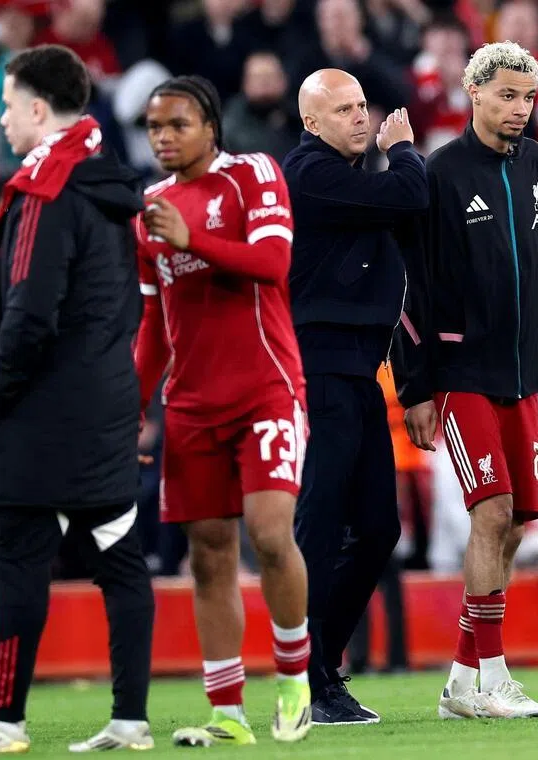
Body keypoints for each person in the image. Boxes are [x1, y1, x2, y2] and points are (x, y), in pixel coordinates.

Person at [0, 44, 155, 754]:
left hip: (45, 411)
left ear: (38, 110)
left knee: (17, 553)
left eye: (7, 103)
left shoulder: (44, 188)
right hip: (107, 403)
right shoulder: (111, 183)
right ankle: (129, 720)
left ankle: (4, 720)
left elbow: (28, 310)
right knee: (119, 555)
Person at [393, 41, 538, 719]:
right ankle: (493, 678)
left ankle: (461, 681)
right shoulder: (439, 175)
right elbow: (413, 291)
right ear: (474, 93)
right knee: (489, 513)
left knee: (515, 523)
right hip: (461, 374)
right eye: (508, 96)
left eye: (529, 97)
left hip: (527, 375)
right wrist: (416, 388)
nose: (520, 109)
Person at [134, 74, 313, 745]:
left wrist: (191, 239)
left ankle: (294, 676)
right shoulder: (149, 207)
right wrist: (133, 407)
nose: (164, 137)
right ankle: (227, 713)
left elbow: (272, 262)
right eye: (154, 127)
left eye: (177, 124)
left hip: (265, 387)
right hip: (190, 404)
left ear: (211, 126)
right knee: (207, 556)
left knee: (269, 534)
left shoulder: (254, 175)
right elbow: (154, 325)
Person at [281, 68, 428, 725]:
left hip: (360, 371)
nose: (360, 117)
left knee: (377, 529)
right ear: (312, 123)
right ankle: (305, 678)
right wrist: (403, 149)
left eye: (362, 106)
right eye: (342, 110)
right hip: (317, 368)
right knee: (319, 522)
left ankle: (321, 666)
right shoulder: (309, 174)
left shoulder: (348, 181)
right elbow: (407, 195)